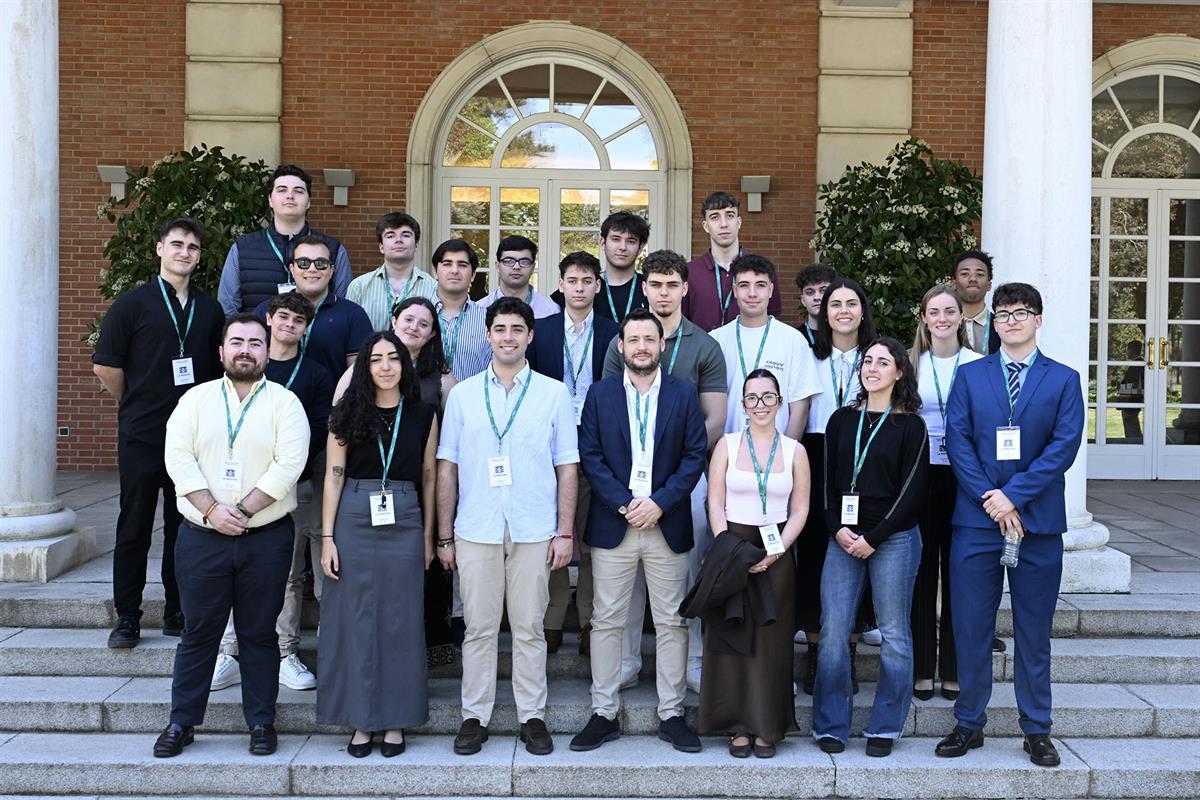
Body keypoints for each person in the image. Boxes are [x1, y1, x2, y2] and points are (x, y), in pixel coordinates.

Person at [936, 283, 1083, 768]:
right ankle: (969, 723)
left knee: (1034, 630)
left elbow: (1062, 448)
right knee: (971, 627)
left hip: (1037, 522)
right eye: (1002, 314)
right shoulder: (971, 376)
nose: (1011, 321)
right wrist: (991, 500)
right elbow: (957, 442)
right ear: (993, 323)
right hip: (976, 521)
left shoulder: (1063, 380)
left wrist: (1013, 497)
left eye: (1021, 313)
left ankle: (1037, 729)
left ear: (1039, 320)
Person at [154, 313, 310, 758]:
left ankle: (261, 722)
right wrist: (211, 510)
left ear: (267, 351)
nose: (246, 349)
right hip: (202, 537)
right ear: (221, 351)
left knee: (259, 633)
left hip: (266, 537)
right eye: (237, 342)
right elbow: (178, 459)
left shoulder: (285, 403)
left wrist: (239, 511)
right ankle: (181, 722)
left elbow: (289, 465)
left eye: (255, 343)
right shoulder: (195, 401)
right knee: (199, 632)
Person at [436, 297, 578, 757]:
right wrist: (444, 534)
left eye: (517, 329)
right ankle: (473, 716)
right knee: (478, 628)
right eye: (500, 329)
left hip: (534, 527)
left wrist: (564, 531)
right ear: (488, 335)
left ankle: (531, 716)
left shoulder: (554, 394)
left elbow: (567, 467)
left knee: (529, 627)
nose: (508, 337)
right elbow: (447, 468)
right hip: (475, 527)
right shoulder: (462, 395)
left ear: (530, 336)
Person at [570, 309, 707, 754]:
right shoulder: (600, 394)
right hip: (616, 522)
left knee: (672, 621)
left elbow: (694, 455)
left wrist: (660, 503)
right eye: (634, 339)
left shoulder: (684, 395)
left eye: (651, 338)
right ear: (621, 346)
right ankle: (603, 712)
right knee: (607, 620)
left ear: (661, 345)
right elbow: (590, 455)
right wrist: (626, 504)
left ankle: (672, 713)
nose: (643, 346)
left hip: (667, 523)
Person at [93, 217, 224, 648]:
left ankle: (176, 609)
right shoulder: (132, 304)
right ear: (159, 249)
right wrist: (135, 402)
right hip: (143, 435)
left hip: (192, 439)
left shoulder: (209, 309)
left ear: (199, 257)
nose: (184, 252)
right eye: (177, 244)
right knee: (134, 526)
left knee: (182, 527)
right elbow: (106, 366)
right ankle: (127, 616)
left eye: (192, 247)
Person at [601, 250, 728, 692]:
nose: (663, 292)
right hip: (627, 483)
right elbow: (611, 413)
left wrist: (670, 483)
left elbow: (715, 418)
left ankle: (691, 661)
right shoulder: (625, 340)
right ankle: (626, 661)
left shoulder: (705, 345)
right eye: (655, 284)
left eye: (672, 284)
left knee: (686, 571)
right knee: (627, 573)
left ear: (684, 289)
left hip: (684, 481)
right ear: (645, 287)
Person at [317, 331, 439, 758]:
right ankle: (359, 720)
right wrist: (328, 537)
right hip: (352, 513)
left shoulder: (423, 414)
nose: (385, 366)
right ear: (364, 368)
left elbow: (428, 476)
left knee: (400, 621)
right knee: (353, 618)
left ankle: (395, 720)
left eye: (393, 358)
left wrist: (428, 537)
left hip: (404, 516)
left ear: (404, 366)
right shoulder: (346, 413)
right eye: (376, 359)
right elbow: (333, 476)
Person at [211, 292, 333, 693]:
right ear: (268, 319)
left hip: (293, 485)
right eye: (283, 317)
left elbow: (316, 431)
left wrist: (281, 465)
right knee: (234, 567)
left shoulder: (314, 373)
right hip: (237, 484)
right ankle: (229, 650)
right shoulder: (245, 367)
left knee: (291, 572)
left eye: (298, 321)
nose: (289, 326)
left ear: (305, 328)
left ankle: (285, 652)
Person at [813, 337, 928, 758]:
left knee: (895, 633)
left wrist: (873, 538)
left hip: (892, 538)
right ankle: (831, 725)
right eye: (867, 361)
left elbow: (914, 490)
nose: (872, 368)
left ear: (899, 372)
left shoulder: (910, 425)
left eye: (884, 362)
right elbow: (827, 484)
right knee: (833, 633)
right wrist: (837, 529)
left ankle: (885, 726)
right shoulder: (842, 420)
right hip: (842, 538)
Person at [699, 368, 810, 758]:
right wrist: (726, 546)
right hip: (732, 547)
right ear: (742, 404)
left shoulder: (795, 450)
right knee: (731, 638)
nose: (760, 404)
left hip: (776, 550)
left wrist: (778, 551)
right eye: (752, 397)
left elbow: (800, 509)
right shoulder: (727, 445)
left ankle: (767, 726)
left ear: (780, 402)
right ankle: (737, 726)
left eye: (768, 396)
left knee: (771, 642)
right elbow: (714, 501)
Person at [528, 252, 619, 655]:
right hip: (548, 444)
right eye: (572, 280)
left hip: (600, 445)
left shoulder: (615, 332)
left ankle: (589, 622)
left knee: (595, 537)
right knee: (554, 531)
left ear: (598, 286)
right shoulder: (540, 331)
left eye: (587, 281)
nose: (580, 287)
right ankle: (551, 620)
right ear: (560, 285)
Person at [798, 277, 878, 694]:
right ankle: (814, 651)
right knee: (813, 552)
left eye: (851, 302)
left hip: (864, 452)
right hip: (815, 451)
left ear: (862, 310)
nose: (843, 310)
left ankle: (847, 650)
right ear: (822, 312)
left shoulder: (877, 356)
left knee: (854, 549)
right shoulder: (806, 353)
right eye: (834, 304)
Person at [909, 286, 982, 702]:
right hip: (921, 476)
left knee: (959, 573)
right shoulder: (910, 365)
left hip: (964, 477)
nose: (941, 318)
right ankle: (922, 667)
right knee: (922, 572)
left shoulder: (978, 365)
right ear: (923, 317)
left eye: (949, 311)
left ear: (959, 318)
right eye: (933, 311)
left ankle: (952, 666)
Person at [710, 254, 820, 438]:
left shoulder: (793, 340)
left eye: (760, 285)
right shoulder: (715, 341)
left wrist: (784, 454)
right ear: (735, 290)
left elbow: (799, 408)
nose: (752, 293)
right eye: (744, 285)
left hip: (778, 456)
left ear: (770, 290)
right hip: (728, 454)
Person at [217, 165, 351, 315]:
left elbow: (344, 307)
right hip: (258, 337)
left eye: (298, 191)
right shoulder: (243, 248)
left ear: (308, 202)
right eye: (282, 190)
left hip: (319, 337)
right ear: (270, 200)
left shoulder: (333, 249)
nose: (290, 196)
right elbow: (228, 309)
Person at [252, 235, 373, 381]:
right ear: (292, 269)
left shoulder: (353, 314)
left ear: (331, 270)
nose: (312, 269)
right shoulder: (267, 310)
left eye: (320, 263)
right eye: (304, 263)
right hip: (272, 401)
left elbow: (359, 376)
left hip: (332, 402)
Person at [682, 192, 782, 332]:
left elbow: (772, 317)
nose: (724, 224)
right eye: (715, 217)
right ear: (705, 226)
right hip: (702, 353)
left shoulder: (763, 270)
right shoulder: (689, 272)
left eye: (729, 215)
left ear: (738, 222)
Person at [554, 212, 651, 324]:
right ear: (602, 243)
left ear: (640, 247)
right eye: (616, 239)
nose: (623, 247)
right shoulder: (577, 289)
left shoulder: (652, 289)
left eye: (631, 241)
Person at [347, 212, 438, 331]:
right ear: (381, 247)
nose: (398, 240)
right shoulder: (359, 286)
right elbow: (348, 332)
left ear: (416, 244)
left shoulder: (433, 287)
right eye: (390, 236)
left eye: (406, 235)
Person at [431, 239, 491, 382]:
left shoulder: (488, 320)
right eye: (447, 264)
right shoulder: (414, 316)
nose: (454, 270)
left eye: (462, 265)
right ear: (435, 271)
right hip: (422, 402)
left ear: (473, 275)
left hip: (473, 402)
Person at [478, 235, 559, 319]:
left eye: (524, 262)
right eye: (509, 261)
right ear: (498, 266)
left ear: (533, 267)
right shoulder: (479, 309)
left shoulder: (551, 311)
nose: (516, 267)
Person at [953, 250, 999, 356]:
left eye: (980, 274)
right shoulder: (943, 324)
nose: (973, 279)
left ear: (989, 285)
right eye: (965, 274)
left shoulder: (1002, 325)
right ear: (954, 284)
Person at [795, 263, 838, 346]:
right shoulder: (794, 338)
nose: (817, 297)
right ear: (803, 300)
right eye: (810, 292)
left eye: (823, 291)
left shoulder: (845, 335)